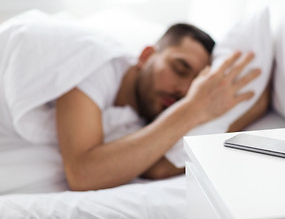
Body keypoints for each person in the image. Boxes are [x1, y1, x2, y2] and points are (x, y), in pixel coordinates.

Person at [53, 23, 266, 191]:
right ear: (146, 56)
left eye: (193, 87)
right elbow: (82, 175)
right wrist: (194, 108)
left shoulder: (146, 118)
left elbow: (158, 167)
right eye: (180, 69)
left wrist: (252, 110)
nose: (183, 91)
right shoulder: (96, 63)